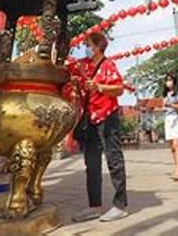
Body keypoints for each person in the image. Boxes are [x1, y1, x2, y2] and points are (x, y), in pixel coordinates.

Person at [70, 32, 129, 223]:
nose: (85, 47)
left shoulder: (108, 65)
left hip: (107, 116)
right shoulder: (84, 65)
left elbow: (119, 88)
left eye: (88, 44)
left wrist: (100, 87)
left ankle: (121, 205)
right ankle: (94, 205)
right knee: (91, 163)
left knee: (114, 159)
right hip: (90, 120)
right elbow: (70, 66)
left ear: (98, 46)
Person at [163, 73, 178, 181]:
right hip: (168, 119)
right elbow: (164, 107)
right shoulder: (164, 94)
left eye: (170, 80)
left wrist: (171, 105)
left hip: (176, 118)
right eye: (167, 80)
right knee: (172, 147)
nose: (168, 82)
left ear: (174, 81)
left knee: (177, 145)